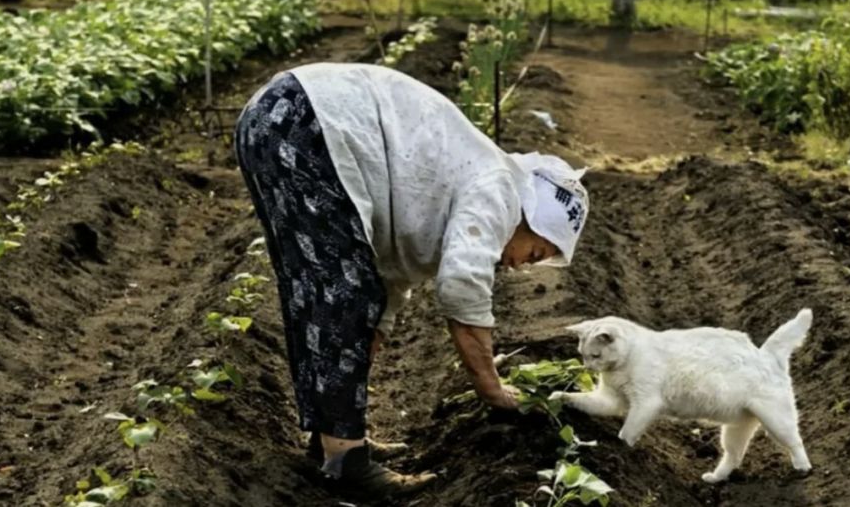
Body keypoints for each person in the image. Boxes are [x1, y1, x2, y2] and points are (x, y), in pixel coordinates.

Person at [233, 63, 589, 498]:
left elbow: (387, 282)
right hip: (305, 120)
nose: (521, 265)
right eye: (535, 252)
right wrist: (492, 390)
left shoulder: (471, 189)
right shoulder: (500, 192)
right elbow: (461, 286)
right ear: (530, 219)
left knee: (337, 290)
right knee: (339, 290)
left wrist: (372, 331)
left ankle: (336, 440)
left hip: (282, 119)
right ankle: (346, 458)